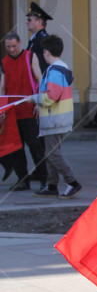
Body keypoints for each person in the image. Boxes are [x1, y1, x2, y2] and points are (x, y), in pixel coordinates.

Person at [31, 35, 81, 199]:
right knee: (50, 152)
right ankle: (52, 185)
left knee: (52, 154)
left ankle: (73, 182)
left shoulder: (53, 71)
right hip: (55, 120)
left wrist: (35, 98)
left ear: (46, 52)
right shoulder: (59, 69)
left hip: (54, 120)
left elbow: (50, 97)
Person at [1, 33, 47, 191]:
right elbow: (3, 87)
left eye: (14, 46)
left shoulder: (30, 56)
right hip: (13, 112)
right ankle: (23, 179)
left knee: (35, 146)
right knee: (16, 148)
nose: (12, 49)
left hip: (29, 109)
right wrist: (3, 109)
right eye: (8, 47)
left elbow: (40, 78)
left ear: (20, 43)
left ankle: (44, 178)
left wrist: (39, 102)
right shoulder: (4, 62)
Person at [26, 1, 52, 78]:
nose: (26, 22)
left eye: (29, 20)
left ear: (39, 22)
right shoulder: (35, 38)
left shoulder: (43, 39)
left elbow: (42, 65)